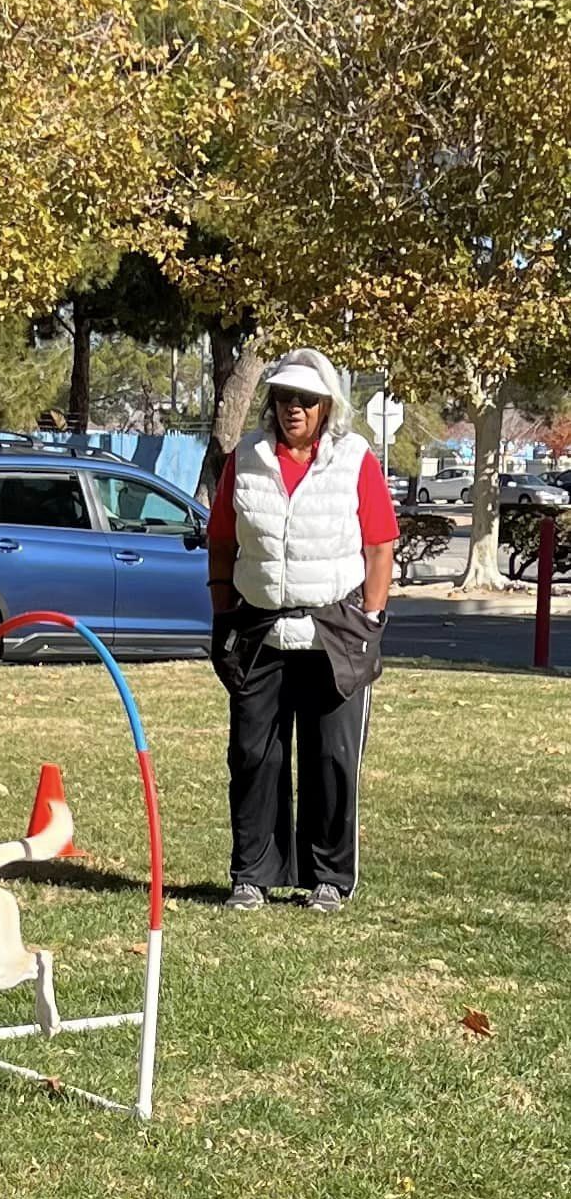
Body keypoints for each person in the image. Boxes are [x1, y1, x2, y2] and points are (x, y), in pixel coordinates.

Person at [207, 349, 397, 914]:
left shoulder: (355, 459)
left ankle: (329, 878)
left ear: (326, 406)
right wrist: (223, 608)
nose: (295, 408)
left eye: (307, 400)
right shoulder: (246, 459)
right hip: (259, 629)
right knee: (253, 754)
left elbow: (380, 545)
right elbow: (222, 540)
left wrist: (371, 617)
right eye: (286, 397)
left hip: (334, 631)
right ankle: (253, 874)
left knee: (331, 758)